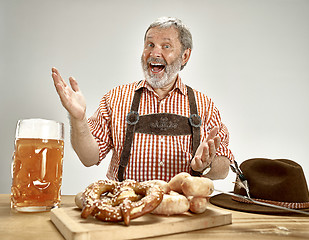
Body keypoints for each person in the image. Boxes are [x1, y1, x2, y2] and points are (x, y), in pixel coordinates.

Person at [51, 17, 234, 182]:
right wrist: (78, 119)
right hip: (126, 209)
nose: (154, 53)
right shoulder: (115, 98)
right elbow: (88, 158)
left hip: (184, 211)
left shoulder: (205, 105)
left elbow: (224, 167)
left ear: (185, 56)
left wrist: (206, 165)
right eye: (150, 45)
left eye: (166, 46)